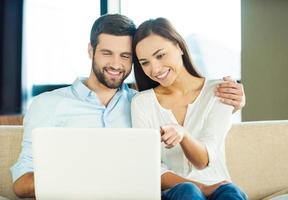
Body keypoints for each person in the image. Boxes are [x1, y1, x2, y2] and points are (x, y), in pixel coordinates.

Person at [11, 14, 245, 198]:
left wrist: (235, 103)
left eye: (125, 56)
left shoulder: (138, 102)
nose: (116, 64)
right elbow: (21, 184)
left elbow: (185, 108)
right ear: (90, 51)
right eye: (106, 53)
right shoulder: (48, 104)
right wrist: (89, 180)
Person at [131, 18, 247, 200]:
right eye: (145, 62)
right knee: (189, 191)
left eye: (160, 55)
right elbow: (152, 167)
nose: (154, 69)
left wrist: (182, 134)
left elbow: (204, 160)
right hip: (175, 192)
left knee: (231, 192)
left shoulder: (220, 92)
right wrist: (201, 187)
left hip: (219, 187)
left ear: (179, 47)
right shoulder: (142, 103)